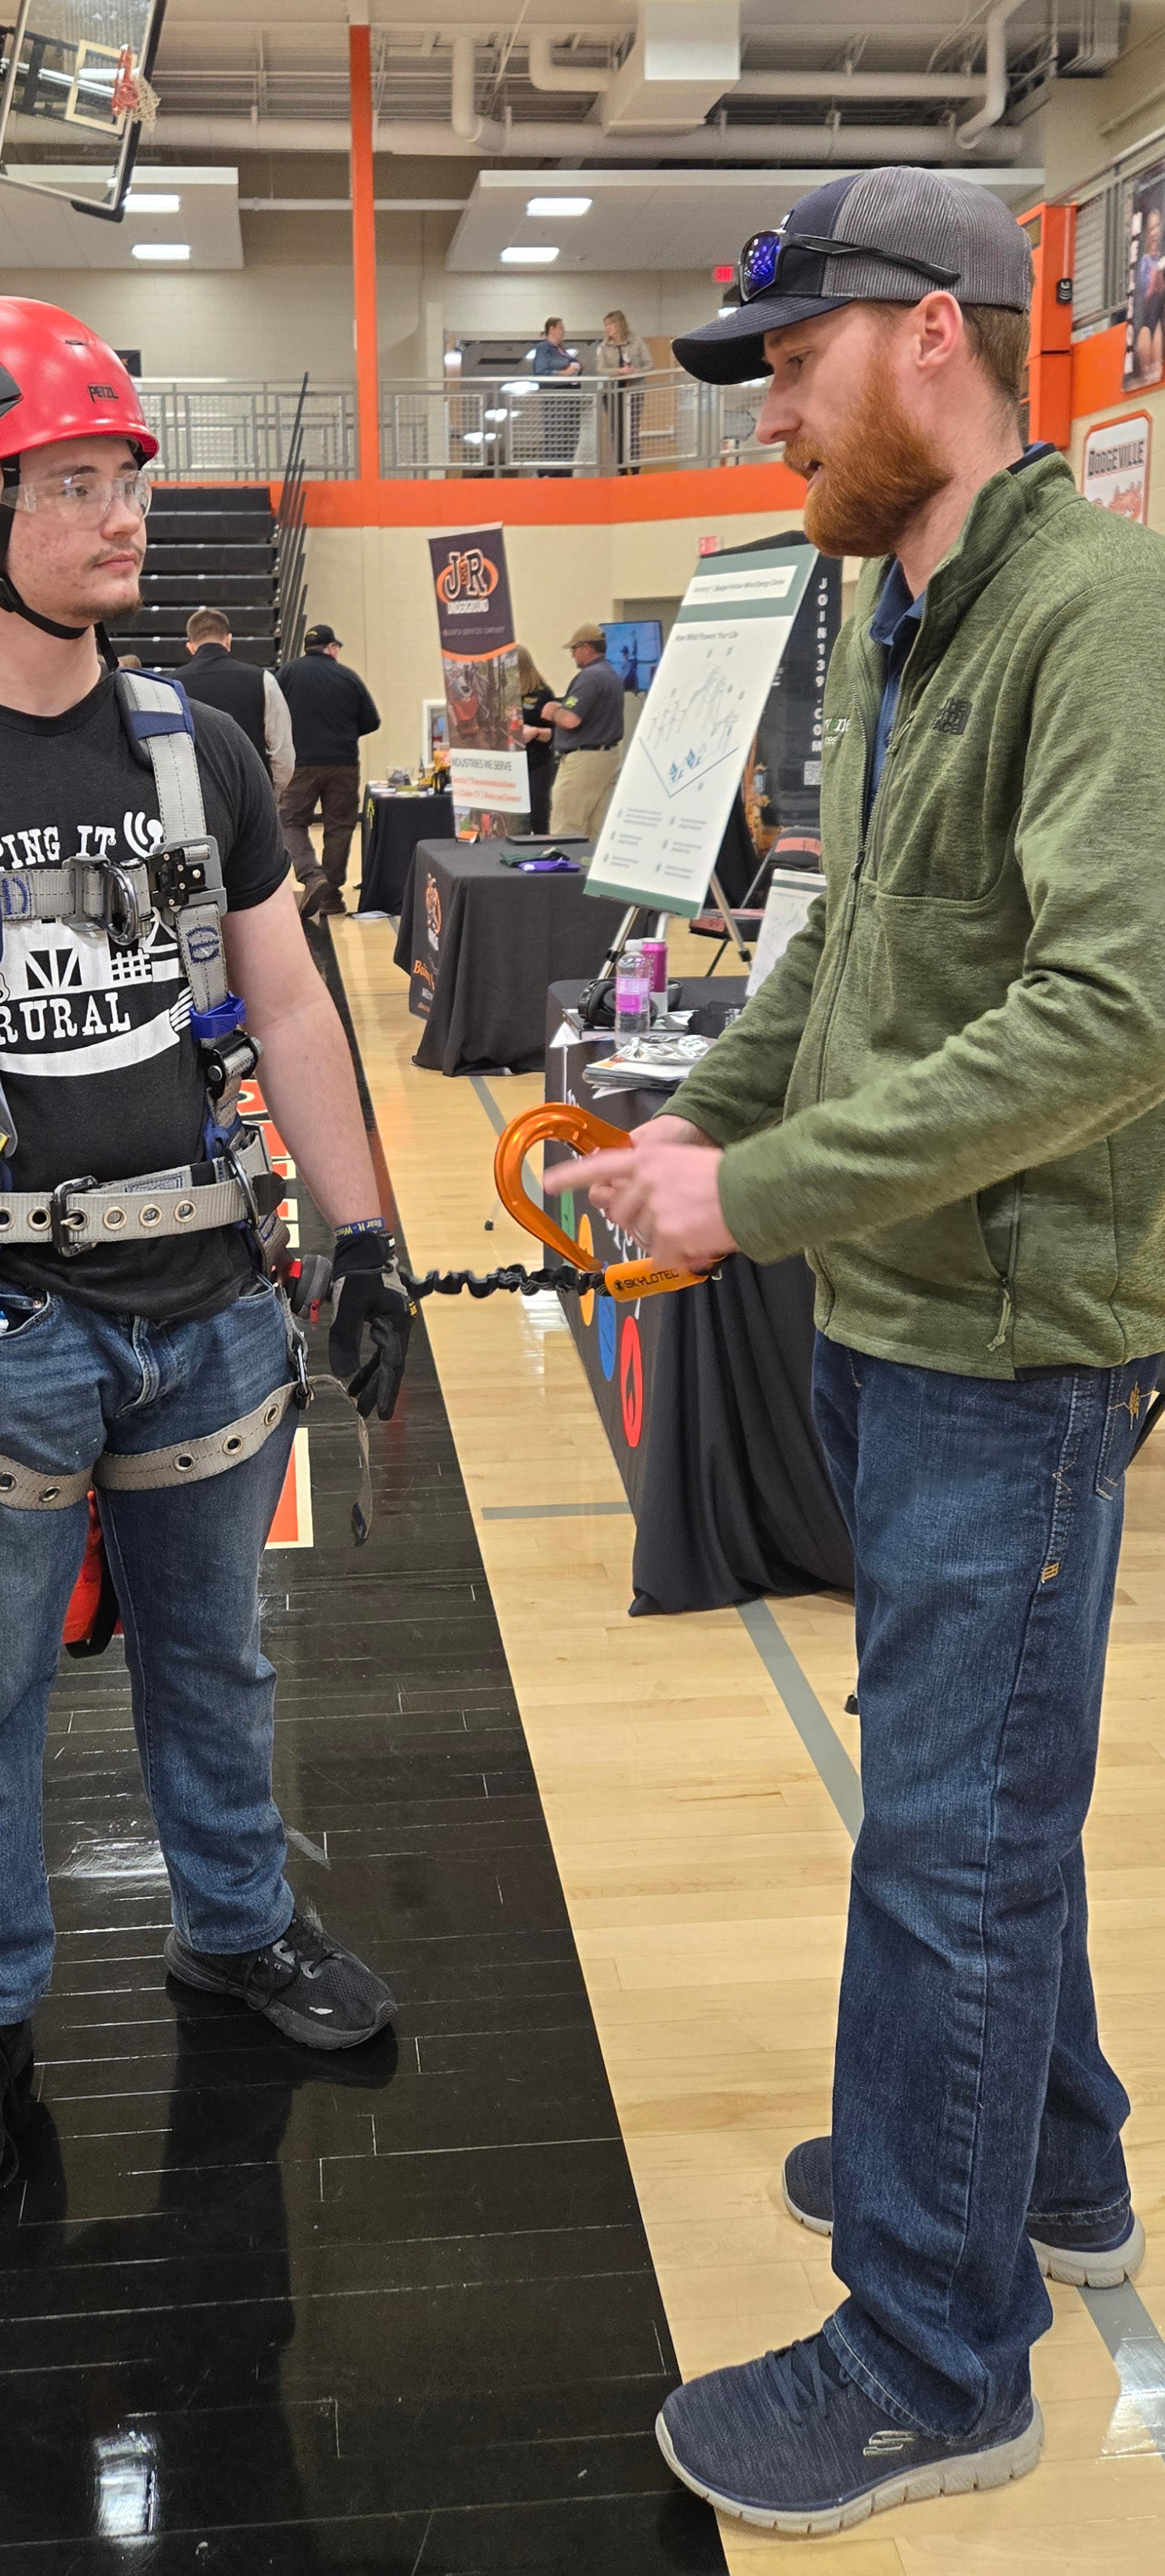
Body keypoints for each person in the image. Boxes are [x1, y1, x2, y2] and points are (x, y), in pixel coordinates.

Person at [550, 165, 1165, 2538]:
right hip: (893, 1315)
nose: (772, 415)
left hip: (1016, 1351)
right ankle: (1053, 2157)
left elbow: (1111, 1015)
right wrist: (701, 1125)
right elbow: (841, 941)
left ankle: (930, 2356)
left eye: (793, 364)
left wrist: (766, 1190)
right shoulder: (892, 615)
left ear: (933, 335)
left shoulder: (1098, 616)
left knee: (947, 1852)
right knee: (979, 1793)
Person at [0, 297, 415, 2214]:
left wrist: (366, 1235)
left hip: (211, 1307)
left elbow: (292, 1007)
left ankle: (237, 1921)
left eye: (127, 475)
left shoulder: (198, 755)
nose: (125, 513)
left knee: (220, 1659)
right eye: (73, 483)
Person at [276, 622, 380, 922]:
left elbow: (271, 712)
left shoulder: (288, 674)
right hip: (343, 764)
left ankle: (312, 876)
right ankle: (332, 897)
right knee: (340, 827)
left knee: (290, 821)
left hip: (301, 764)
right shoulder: (347, 676)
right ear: (332, 648)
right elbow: (372, 721)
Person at [181, 607, 295, 791]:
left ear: (191, 647)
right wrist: (268, 792)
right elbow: (282, 753)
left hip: (196, 793)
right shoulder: (263, 680)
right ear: (229, 640)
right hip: (250, 791)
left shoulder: (171, 686)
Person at [545, 624, 625, 844]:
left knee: (566, 828)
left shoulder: (590, 678)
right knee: (595, 832)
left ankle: (562, 866)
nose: (572, 654)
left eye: (574, 649)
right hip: (608, 758)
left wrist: (553, 711)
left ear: (587, 648)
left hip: (583, 762)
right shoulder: (611, 675)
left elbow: (571, 719)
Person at [595, 309, 652, 473]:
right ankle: (621, 468)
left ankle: (635, 468)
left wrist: (636, 372)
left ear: (619, 324)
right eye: (606, 325)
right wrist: (619, 372)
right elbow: (601, 370)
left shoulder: (637, 343)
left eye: (610, 324)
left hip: (633, 392)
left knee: (632, 430)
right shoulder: (604, 347)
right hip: (613, 394)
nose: (607, 328)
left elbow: (650, 364)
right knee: (617, 431)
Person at [513, 643, 555, 835]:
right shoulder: (502, 694)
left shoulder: (543, 695)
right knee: (514, 821)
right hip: (511, 768)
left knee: (539, 817)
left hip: (537, 765)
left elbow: (557, 733)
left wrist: (535, 732)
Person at [530, 315, 581, 474]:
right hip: (556, 397)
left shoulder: (563, 350)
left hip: (572, 396)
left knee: (571, 433)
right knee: (556, 433)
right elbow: (540, 373)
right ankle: (549, 472)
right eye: (561, 328)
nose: (563, 332)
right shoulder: (543, 350)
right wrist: (563, 373)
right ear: (551, 329)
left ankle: (566, 470)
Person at [1128, 199, 1164, 387]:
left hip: (1158, 311)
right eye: (1152, 228)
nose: (1155, 232)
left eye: (1158, 227)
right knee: (1146, 328)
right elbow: (1143, 292)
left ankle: (1155, 367)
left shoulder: (1161, 257)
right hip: (1147, 310)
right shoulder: (1144, 261)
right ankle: (1147, 370)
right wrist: (1154, 280)